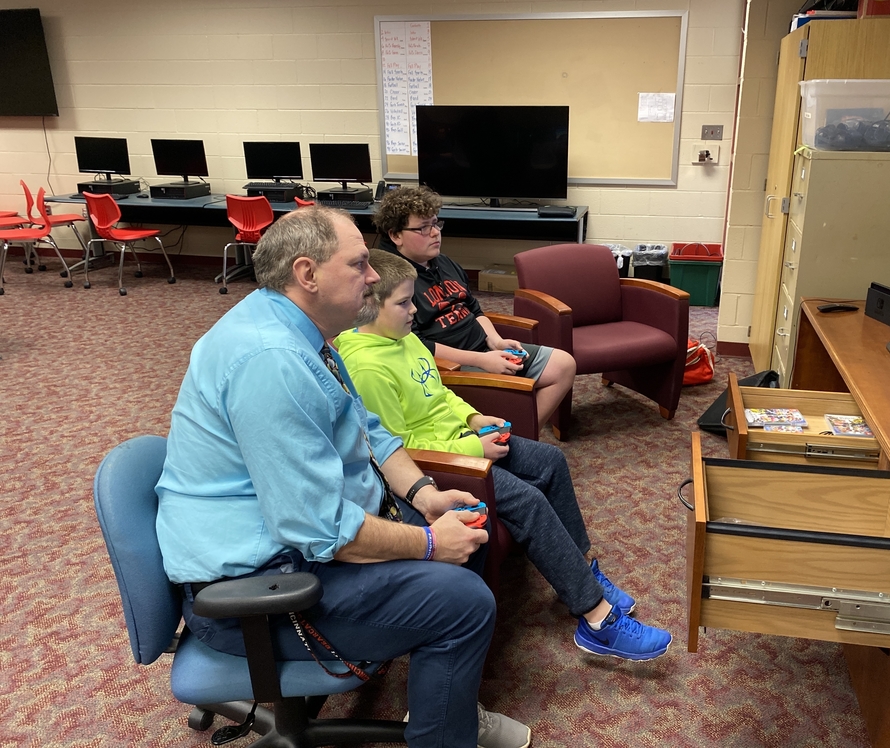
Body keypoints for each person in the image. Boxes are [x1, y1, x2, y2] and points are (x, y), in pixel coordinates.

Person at [155, 207, 530, 748]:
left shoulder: (300, 329)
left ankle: (445, 707)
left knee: (464, 536)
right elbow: (319, 526)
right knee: (464, 603)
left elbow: (367, 429)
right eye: (359, 264)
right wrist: (427, 543)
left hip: (292, 545)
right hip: (259, 590)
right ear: (307, 275)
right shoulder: (272, 359)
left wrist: (423, 496)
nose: (375, 275)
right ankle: (447, 728)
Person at [334, 249, 672, 661]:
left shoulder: (405, 339)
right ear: (370, 305)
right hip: (438, 467)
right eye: (404, 303)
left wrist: (475, 419)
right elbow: (399, 450)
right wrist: (473, 449)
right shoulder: (367, 366)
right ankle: (598, 619)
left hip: (462, 440)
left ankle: (584, 572)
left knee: (551, 462)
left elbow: (440, 395)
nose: (414, 310)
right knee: (528, 502)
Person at [373, 185, 576, 433]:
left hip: (483, 350)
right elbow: (416, 344)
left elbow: (473, 308)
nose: (435, 233)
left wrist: (496, 342)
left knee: (564, 365)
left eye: (436, 224)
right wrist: (483, 360)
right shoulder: (394, 279)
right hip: (450, 366)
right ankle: (514, 442)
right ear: (396, 235)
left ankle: (520, 438)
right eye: (424, 228)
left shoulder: (443, 262)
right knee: (517, 391)